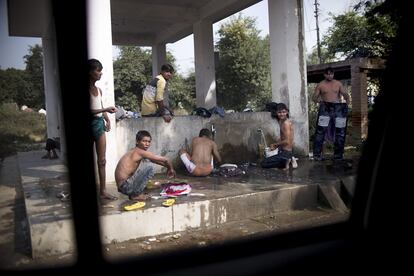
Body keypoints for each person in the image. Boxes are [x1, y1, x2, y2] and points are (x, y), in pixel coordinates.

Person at [115, 130, 176, 200]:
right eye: (144, 141)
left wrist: (168, 167)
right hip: (125, 186)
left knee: (148, 164)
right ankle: (135, 195)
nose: (147, 144)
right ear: (137, 142)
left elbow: (154, 160)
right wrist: (171, 169)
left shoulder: (136, 151)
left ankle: (134, 192)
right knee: (150, 167)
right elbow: (166, 159)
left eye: (149, 142)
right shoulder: (139, 152)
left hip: (123, 186)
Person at [88, 58, 118, 201]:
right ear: (89, 72)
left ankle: (103, 191)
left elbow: (100, 105)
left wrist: (107, 118)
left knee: (102, 160)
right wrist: (105, 109)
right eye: (98, 71)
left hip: (99, 124)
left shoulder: (98, 90)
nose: (100, 73)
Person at [312, 67, 350, 161]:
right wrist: (318, 100)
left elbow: (345, 94)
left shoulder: (338, 83)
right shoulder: (321, 85)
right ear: (324, 75)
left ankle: (338, 156)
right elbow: (314, 97)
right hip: (325, 108)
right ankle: (317, 155)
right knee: (320, 132)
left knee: (340, 132)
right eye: (328, 74)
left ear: (333, 74)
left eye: (331, 74)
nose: (330, 75)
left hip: (338, 108)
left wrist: (347, 101)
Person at [261, 103, 295, 170]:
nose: (281, 114)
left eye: (283, 112)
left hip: (286, 153)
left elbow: (287, 141)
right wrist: (276, 146)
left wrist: (275, 144)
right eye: (279, 112)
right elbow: (283, 137)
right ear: (276, 112)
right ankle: (289, 160)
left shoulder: (286, 124)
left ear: (287, 112)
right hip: (283, 151)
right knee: (267, 160)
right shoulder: (281, 121)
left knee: (264, 163)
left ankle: (288, 160)